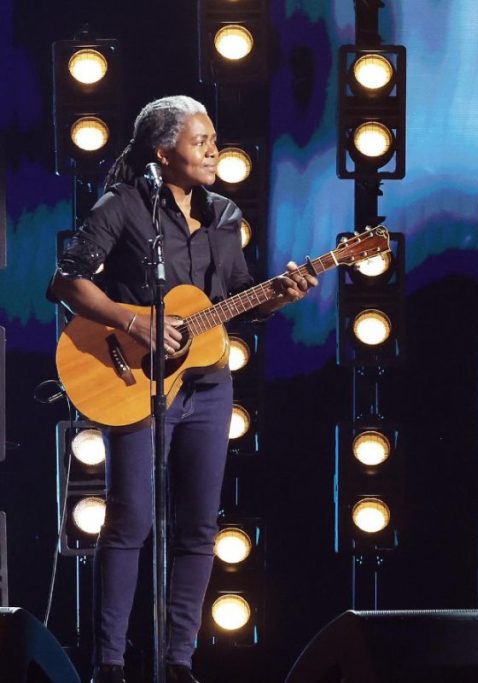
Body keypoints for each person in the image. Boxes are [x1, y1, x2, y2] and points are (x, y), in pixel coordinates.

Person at [49, 96, 319, 683]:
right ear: (162, 152)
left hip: (209, 386)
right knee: (130, 522)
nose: (214, 151)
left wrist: (281, 293)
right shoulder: (124, 206)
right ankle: (111, 665)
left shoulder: (224, 214)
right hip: (129, 377)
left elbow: (238, 299)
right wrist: (134, 321)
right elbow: (67, 281)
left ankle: (177, 662)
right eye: (200, 142)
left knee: (199, 526)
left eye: (215, 140)